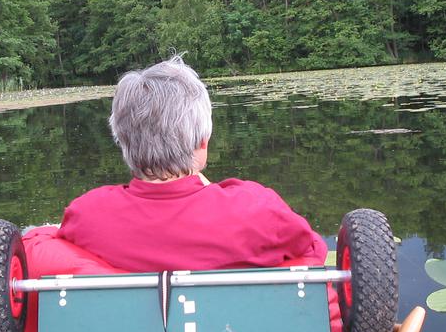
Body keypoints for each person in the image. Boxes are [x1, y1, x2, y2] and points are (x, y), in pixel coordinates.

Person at [57, 54, 328, 271]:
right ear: (202, 141)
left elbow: (38, 244)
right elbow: (313, 249)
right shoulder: (257, 209)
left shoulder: (87, 215)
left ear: (122, 139)